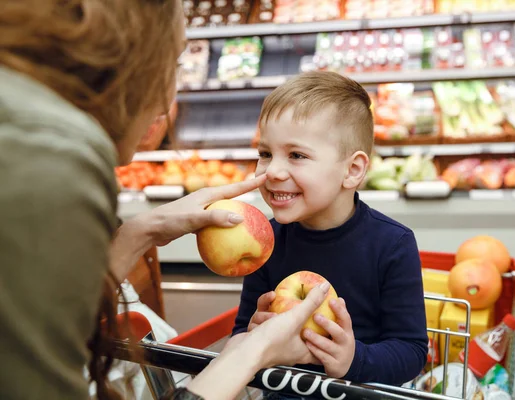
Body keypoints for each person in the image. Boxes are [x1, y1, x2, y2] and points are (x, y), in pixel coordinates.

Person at [0, 1, 331, 399]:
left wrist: (144, 230)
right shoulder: (53, 158)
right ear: (122, 59)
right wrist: (252, 352)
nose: (165, 103)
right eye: (171, 63)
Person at [233, 71, 429, 386]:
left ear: (352, 170)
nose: (273, 171)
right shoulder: (263, 242)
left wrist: (354, 359)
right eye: (266, 154)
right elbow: (242, 330)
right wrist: (253, 334)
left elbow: (411, 350)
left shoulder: (392, 244)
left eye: (296, 155)